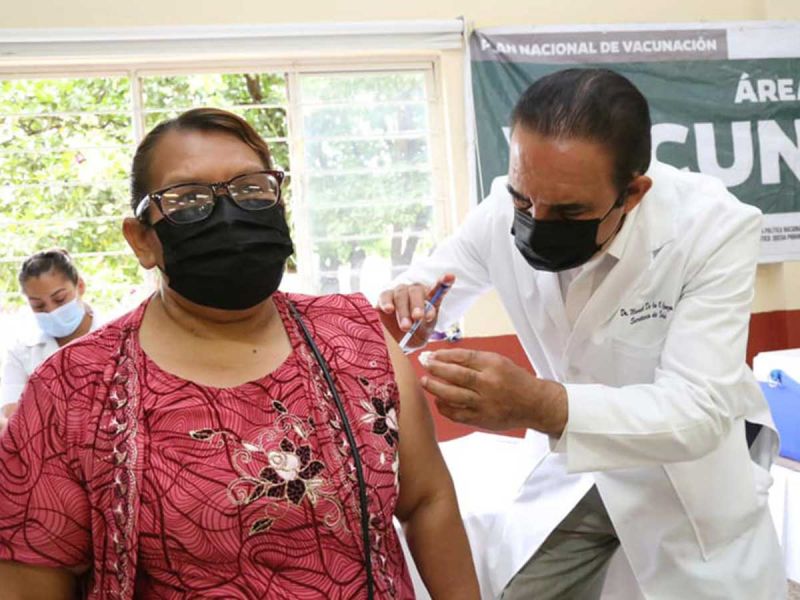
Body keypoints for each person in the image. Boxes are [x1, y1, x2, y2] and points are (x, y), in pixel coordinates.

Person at [0, 108, 480, 600]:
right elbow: (30, 580)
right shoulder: (73, 389)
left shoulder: (357, 339)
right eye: (188, 199)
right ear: (142, 240)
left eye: (251, 189)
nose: (228, 214)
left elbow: (427, 500)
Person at [379, 68, 786, 599]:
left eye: (569, 211)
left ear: (633, 193)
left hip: (682, 476)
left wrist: (539, 404)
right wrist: (411, 302)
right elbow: (431, 289)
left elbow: (699, 410)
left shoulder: (712, 228)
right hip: (577, 470)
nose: (536, 220)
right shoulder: (504, 208)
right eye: (524, 201)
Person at [0, 249, 100, 430]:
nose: (51, 311)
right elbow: (13, 417)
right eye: (38, 306)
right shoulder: (22, 350)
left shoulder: (117, 333)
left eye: (60, 299)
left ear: (80, 286)